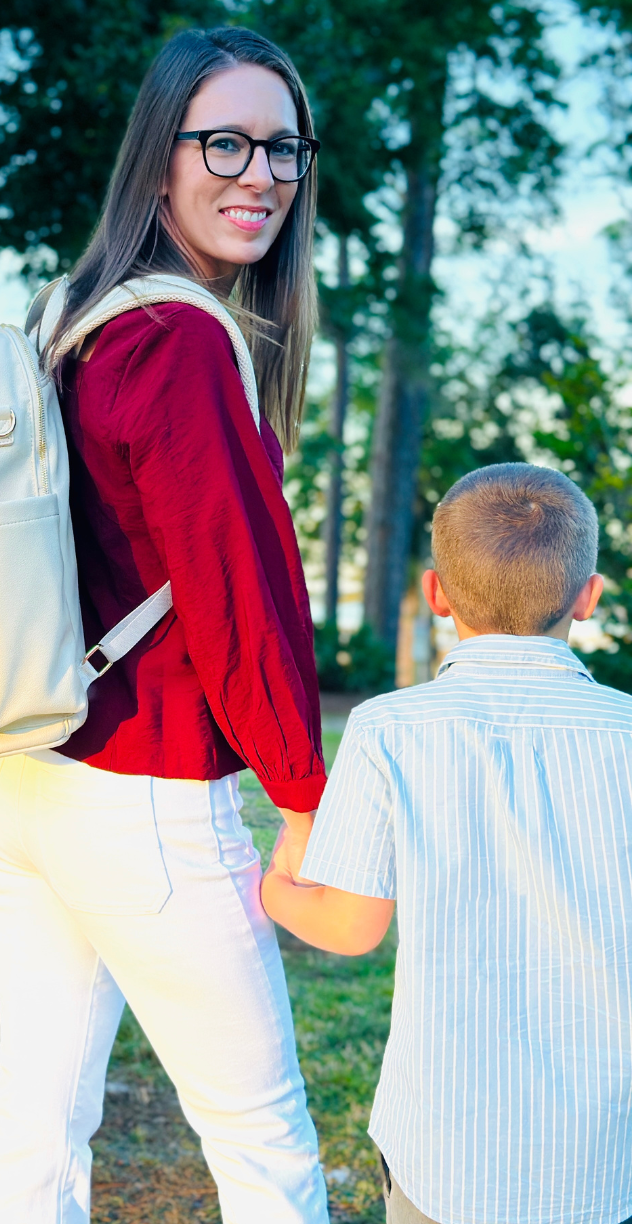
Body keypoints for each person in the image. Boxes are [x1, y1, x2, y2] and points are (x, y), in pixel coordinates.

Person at [0, 27, 328, 1224]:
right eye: (224, 142)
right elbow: (237, 595)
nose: (261, 173)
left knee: (36, 1116)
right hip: (149, 798)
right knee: (263, 1137)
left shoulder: (71, 316)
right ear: (158, 157)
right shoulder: (177, 340)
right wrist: (304, 797)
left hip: (31, 777)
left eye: (283, 147)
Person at [263, 462, 632, 1224]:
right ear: (588, 597)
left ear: (436, 593)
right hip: (607, 1151)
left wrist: (275, 886)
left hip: (446, 1150)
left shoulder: (388, 730)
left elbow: (350, 927)